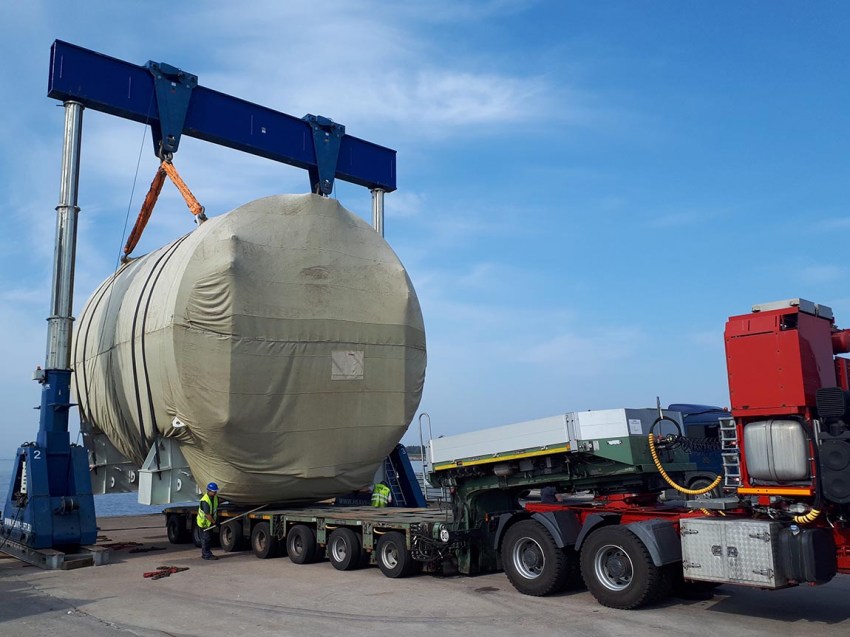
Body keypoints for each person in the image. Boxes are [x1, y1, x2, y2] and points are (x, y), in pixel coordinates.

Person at [197, 482, 220, 560]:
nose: (215, 492)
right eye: (214, 491)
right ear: (209, 491)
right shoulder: (205, 501)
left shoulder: (215, 497)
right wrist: (215, 522)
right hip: (203, 523)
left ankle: (207, 553)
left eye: (216, 491)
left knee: (208, 538)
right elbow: (207, 515)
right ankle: (206, 555)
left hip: (209, 522)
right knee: (206, 539)